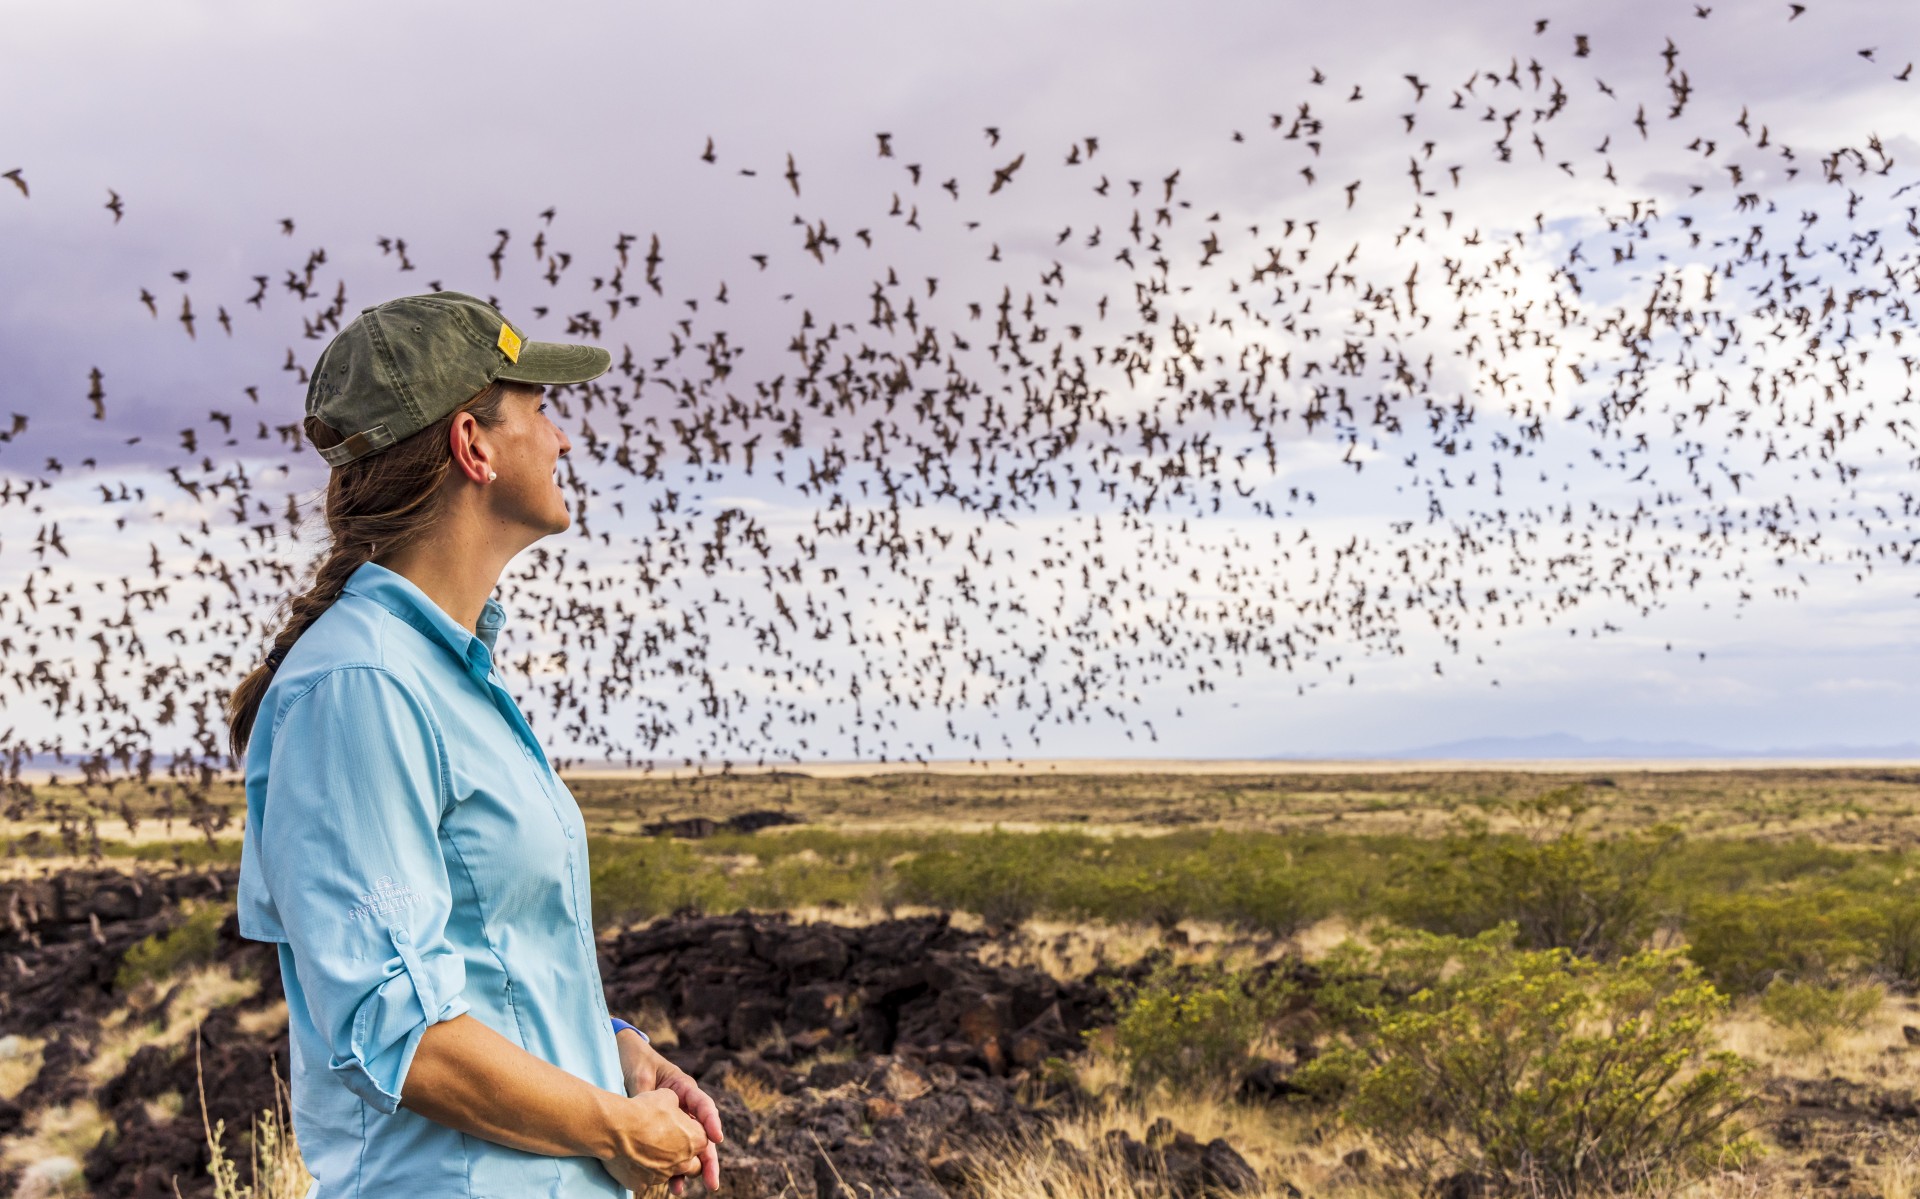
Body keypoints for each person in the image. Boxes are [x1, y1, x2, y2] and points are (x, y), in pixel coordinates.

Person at [228, 291, 723, 1197]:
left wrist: (613, 1054)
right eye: (538, 408)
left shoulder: (444, 677)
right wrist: (616, 1127)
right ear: (473, 444)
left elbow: (481, 965)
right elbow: (402, 1034)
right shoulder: (359, 688)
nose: (562, 438)